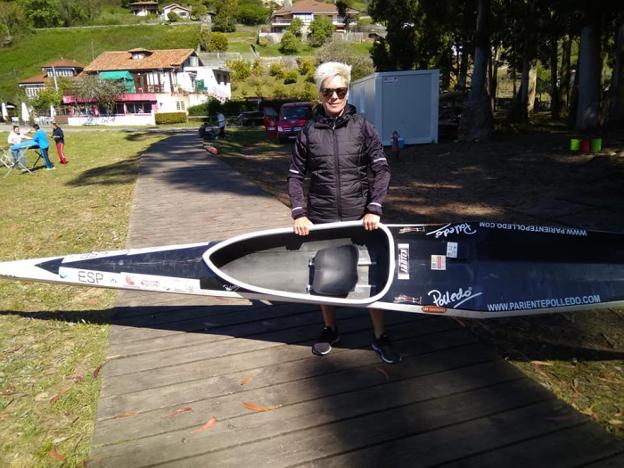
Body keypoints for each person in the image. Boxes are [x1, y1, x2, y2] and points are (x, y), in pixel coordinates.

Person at [287, 61, 401, 364]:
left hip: (360, 217)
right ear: (320, 94)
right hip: (322, 218)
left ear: (348, 91)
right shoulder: (308, 132)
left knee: (371, 274)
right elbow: (295, 175)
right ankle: (330, 329)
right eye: (328, 91)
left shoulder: (362, 127)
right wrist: (299, 213)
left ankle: (380, 335)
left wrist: (374, 207)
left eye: (340, 90)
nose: (334, 96)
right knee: (323, 275)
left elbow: (381, 169)